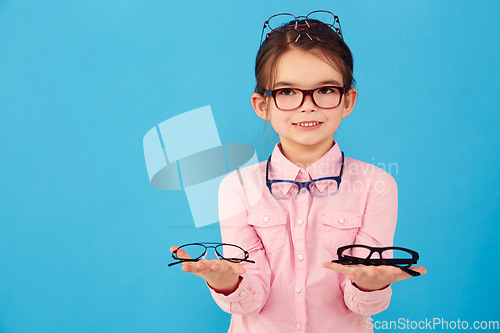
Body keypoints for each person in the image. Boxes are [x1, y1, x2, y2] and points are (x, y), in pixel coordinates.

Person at [170, 10, 426, 333]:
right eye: (287, 92)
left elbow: (359, 305)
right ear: (262, 104)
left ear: (348, 101)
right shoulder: (237, 188)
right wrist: (227, 282)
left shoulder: (377, 186)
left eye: (326, 90)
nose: (308, 105)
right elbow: (251, 300)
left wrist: (369, 284)